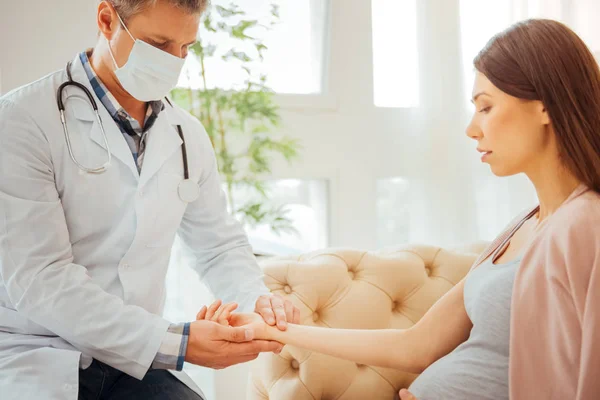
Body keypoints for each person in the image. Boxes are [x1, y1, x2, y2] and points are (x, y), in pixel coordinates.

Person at [203, 19, 600, 400]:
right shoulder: (525, 225)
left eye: (486, 107)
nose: (471, 128)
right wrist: (279, 332)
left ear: (544, 106)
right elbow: (416, 345)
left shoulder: (584, 224)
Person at [0, 1, 301, 399]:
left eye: (186, 47)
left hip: (132, 362)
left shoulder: (185, 135)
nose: (174, 61)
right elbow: (40, 279)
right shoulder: (21, 120)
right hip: (36, 354)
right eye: (159, 44)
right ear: (107, 20)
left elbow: (218, 247)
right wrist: (179, 344)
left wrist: (255, 300)